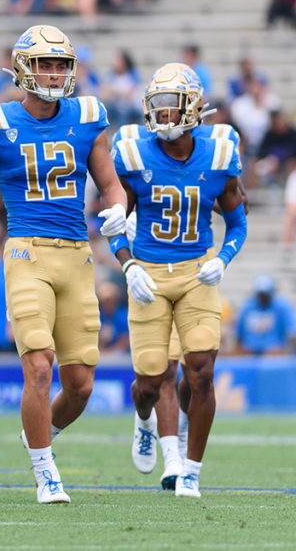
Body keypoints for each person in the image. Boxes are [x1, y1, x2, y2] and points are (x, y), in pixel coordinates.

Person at [0, 25, 128, 504]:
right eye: (44, 64)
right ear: (22, 69)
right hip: (25, 253)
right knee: (40, 367)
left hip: (78, 256)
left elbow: (110, 183)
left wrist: (120, 207)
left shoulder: (87, 115)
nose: (55, 73)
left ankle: (40, 434)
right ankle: (46, 474)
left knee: (79, 386)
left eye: (61, 64)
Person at [110, 63, 246, 499]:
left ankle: (189, 469)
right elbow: (113, 223)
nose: (163, 116)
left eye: (172, 107)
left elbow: (238, 224)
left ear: (193, 109)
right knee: (151, 380)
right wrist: (128, 265)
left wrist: (222, 260)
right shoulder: (132, 152)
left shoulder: (221, 151)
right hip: (148, 271)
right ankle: (144, 416)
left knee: (201, 372)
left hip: (195, 272)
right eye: (158, 107)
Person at [234, 274, 296, 355]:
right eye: (260, 295)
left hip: (274, 353)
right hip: (250, 353)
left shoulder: (282, 306)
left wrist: (286, 351)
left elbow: (291, 332)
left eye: (266, 295)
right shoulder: (247, 306)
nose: (263, 298)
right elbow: (238, 335)